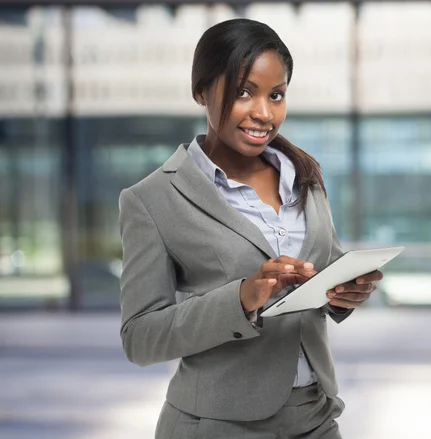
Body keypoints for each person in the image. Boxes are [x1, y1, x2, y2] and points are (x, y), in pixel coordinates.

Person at [118, 18, 383, 438]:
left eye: (276, 95)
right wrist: (241, 298)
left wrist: (346, 294)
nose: (264, 112)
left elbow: (325, 270)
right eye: (244, 92)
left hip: (314, 416)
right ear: (201, 91)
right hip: (218, 424)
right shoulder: (151, 201)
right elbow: (140, 338)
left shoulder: (304, 175)